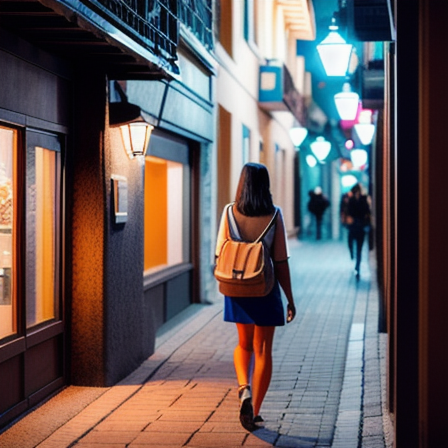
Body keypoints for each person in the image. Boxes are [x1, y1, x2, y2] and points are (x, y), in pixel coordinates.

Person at [215, 163, 296, 432]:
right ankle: (256, 413)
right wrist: (290, 299)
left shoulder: (229, 212)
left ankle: (243, 388)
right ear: (266, 185)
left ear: (242, 183)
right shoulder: (274, 215)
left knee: (244, 345)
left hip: (237, 288)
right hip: (265, 288)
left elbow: (219, 252)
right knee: (262, 350)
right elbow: (281, 260)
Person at [346, 183, 371, 280]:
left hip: (360, 226)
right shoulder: (351, 200)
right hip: (354, 225)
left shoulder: (363, 199)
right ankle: (352, 254)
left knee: (359, 249)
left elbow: (367, 212)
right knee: (350, 243)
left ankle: (357, 266)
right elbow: (349, 211)